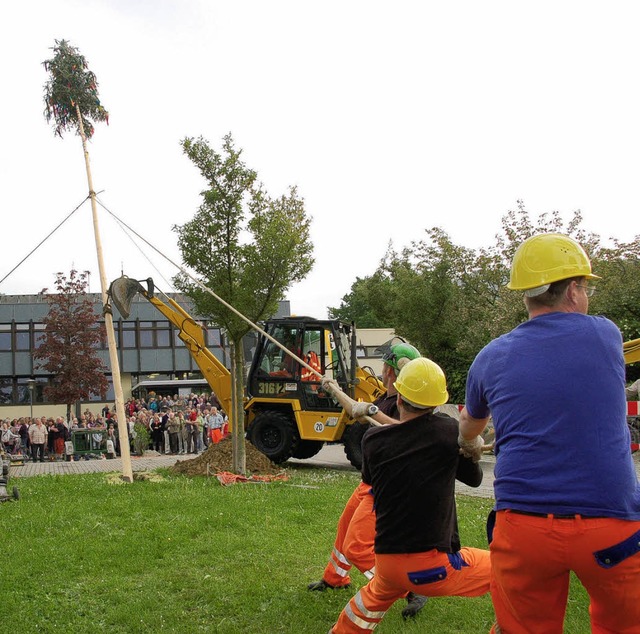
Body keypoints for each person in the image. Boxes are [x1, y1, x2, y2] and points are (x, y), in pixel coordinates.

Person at [458, 233, 640, 634]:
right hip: (610, 523)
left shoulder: (491, 357)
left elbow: (469, 426)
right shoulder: (606, 335)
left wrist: (470, 441)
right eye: (586, 287)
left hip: (524, 527)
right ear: (573, 290)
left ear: (525, 294)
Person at [327, 357, 490, 633]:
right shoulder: (448, 433)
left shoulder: (373, 442)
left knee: (369, 603)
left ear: (399, 399)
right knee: (510, 570)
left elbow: (377, 472)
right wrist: (469, 448)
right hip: (430, 567)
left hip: (388, 562)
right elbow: (474, 480)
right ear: (438, 403)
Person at [308, 343, 429, 619]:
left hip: (386, 489)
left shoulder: (408, 406)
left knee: (358, 547)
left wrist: (375, 412)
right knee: (344, 529)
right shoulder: (386, 399)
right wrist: (333, 388)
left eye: (388, 366)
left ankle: (408, 587)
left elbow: (408, 432)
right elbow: (356, 409)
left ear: (396, 371)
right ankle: (335, 577)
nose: (384, 370)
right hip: (369, 481)